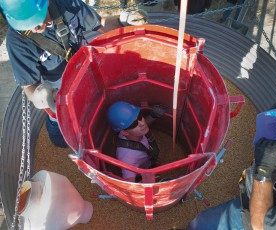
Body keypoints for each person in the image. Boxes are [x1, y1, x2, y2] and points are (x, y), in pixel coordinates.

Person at [0, 0, 148, 147]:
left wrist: (122, 21)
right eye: (25, 25)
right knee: (61, 139)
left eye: (36, 20)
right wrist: (39, 96)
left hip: (87, 76)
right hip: (60, 96)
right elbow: (29, 86)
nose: (34, 28)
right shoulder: (17, 41)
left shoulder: (66, 5)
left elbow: (99, 24)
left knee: (97, 107)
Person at [187, 92, 276, 230]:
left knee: (203, 225)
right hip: (265, 185)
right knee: (201, 222)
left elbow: (259, 225)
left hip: (252, 218)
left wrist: (263, 171)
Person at [107, 101, 165, 182]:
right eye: (133, 124)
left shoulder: (136, 131)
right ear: (124, 132)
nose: (142, 123)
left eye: (139, 117)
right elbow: (130, 184)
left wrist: (153, 116)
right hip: (143, 172)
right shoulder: (127, 157)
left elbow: (140, 125)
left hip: (149, 159)